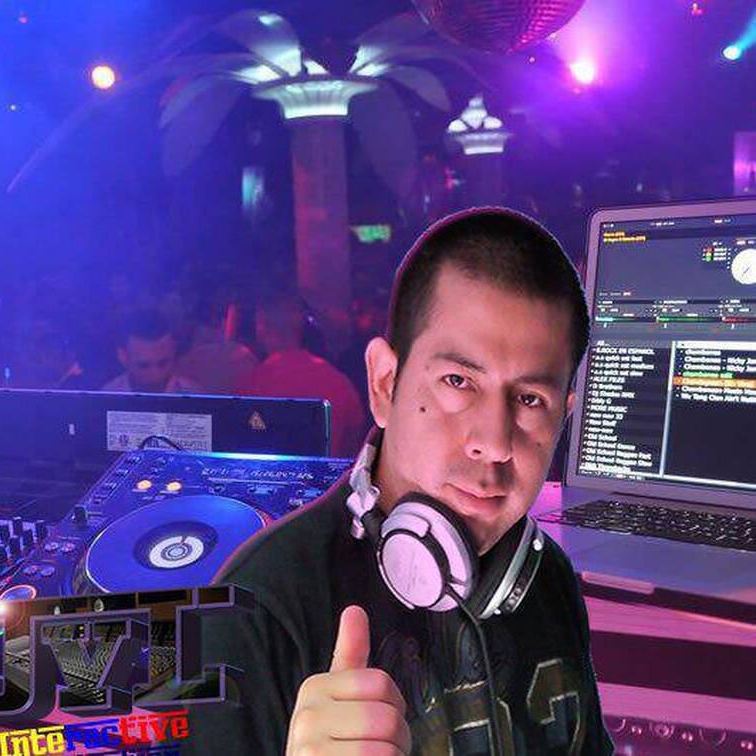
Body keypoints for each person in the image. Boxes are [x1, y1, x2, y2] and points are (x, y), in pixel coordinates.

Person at [186, 208, 614, 754]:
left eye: (530, 399)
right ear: (385, 383)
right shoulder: (252, 606)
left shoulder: (546, 575)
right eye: (458, 381)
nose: (494, 441)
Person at [238, 291, 366, 458]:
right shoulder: (338, 381)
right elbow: (353, 449)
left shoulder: (254, 382)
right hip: (328, 474)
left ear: (262, 326)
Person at [103, 309, 198, 394]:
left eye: (163, 363)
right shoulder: (107, 398)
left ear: (173, 352)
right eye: (144, 365)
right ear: (123, 357)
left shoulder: (195, 396)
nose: (155, 374)